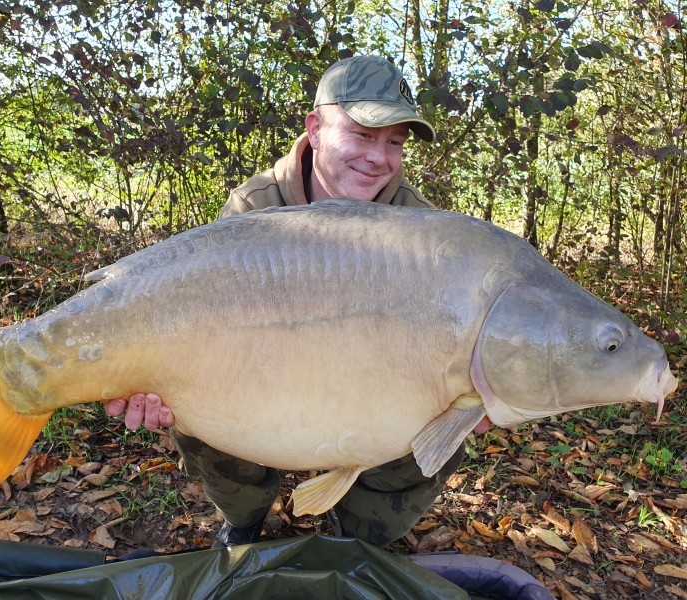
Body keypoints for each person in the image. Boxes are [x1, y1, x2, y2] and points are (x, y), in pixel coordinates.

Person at [105, 55, 490, 548]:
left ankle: (357, 538)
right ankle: (246, 519)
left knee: (446, 425)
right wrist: (152, 381)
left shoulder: (421, 227)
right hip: (268, 377)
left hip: (375, 387)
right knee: (193, 408)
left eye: (395, 141)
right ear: (316, 127)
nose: (380, 157)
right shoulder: (254, 208)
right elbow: (207, 327)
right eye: (364, 135)